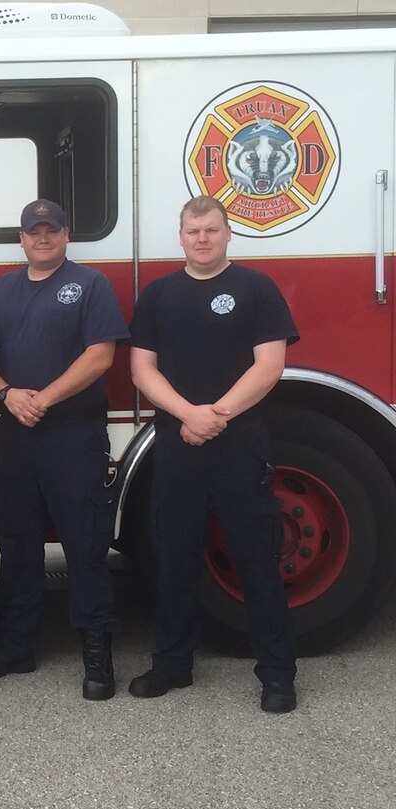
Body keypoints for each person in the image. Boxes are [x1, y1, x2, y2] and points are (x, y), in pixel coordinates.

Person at [128, 195, 299, 713]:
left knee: (256, 557)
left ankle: (277, 675)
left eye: (211, 230)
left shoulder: (256, 289)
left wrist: (214, 416)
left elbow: (269, 366)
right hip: (177, 444)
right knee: (174, 557)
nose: (202, 239)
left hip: (239, 444)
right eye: (193, 231)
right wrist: (188, 414)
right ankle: (172, 665)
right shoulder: (158, 295)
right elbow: (142, 369)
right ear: (181, 237)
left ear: (228, 234)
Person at [0, 199, 130, 700]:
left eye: (51, 230)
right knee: (16, 544)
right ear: (21, 239)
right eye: (34, 231)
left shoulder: (90, 285)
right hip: (16, 437)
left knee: (85, 547)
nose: (42, 238)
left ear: (66, 235)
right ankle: (16, 647)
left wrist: (43, 398)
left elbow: (101, 355)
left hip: (74, 436)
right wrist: (6, 393)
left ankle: (97, 655)